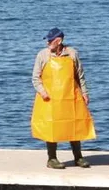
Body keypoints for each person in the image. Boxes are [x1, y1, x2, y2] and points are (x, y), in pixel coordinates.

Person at [30, 27, 96, 169]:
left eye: (50, 41)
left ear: (59, 41)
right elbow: (35, 78)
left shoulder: (72, 54)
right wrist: (43, 92)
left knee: (74, 125)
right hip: (50, 99)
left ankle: (78, 157)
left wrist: (85, 93)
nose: (48, 43)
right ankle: (52, 159)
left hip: (70, 96)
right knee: (52, 127)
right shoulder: (43, 55)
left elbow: (80, 76)